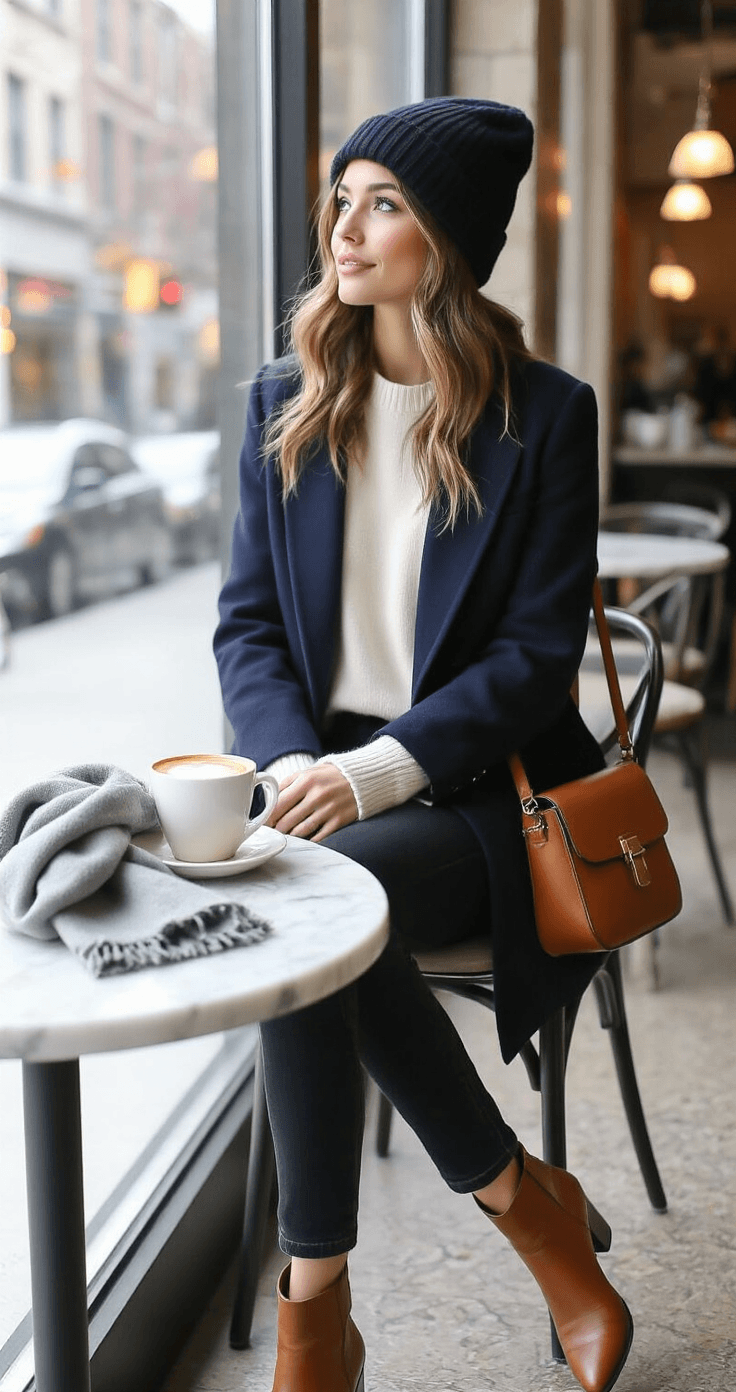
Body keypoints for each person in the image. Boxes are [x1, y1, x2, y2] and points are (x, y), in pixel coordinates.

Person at [214, 98, 633, 1392]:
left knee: (315, 913)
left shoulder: (545, 417)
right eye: (341, 198)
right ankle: (522, 1210)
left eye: (383, 201)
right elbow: (246, 632)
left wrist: (371, 773)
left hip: (477, 794)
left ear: (446, 237)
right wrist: (294, 764)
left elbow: (530, 666)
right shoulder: (285, 404)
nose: (345, 225)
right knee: (311, 905)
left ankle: (315, 1322)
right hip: (314, 787)